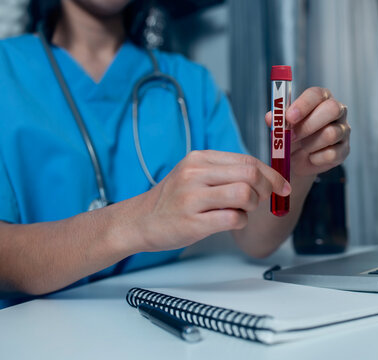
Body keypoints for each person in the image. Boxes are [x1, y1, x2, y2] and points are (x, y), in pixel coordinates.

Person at [0, 0, 350, 302]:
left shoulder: (192, 82)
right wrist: (137, 220)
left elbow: (255, 238)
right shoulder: (6, 70)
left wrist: (295, 167)